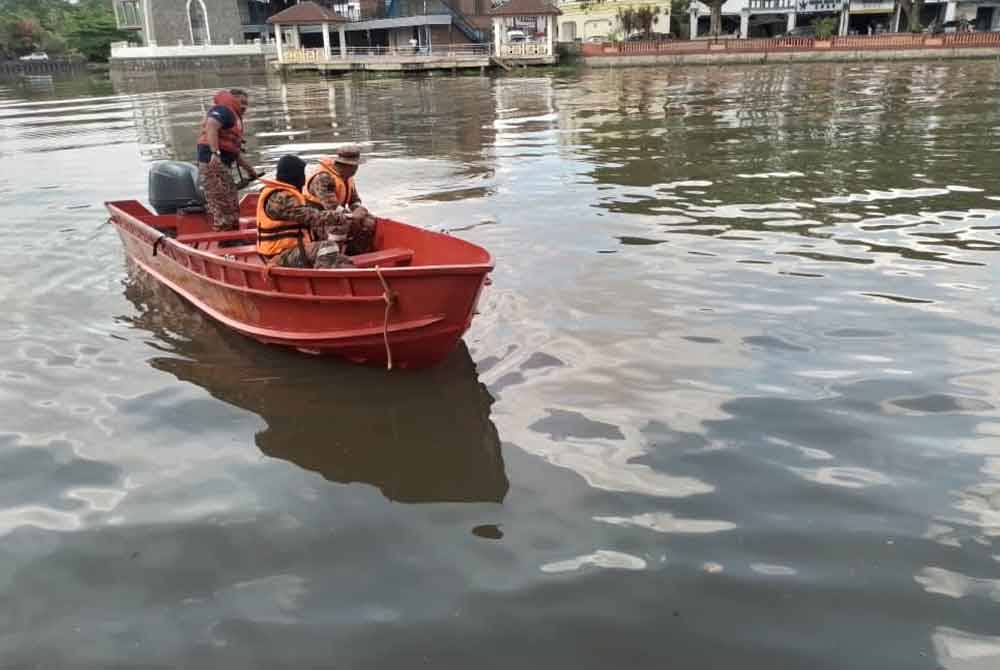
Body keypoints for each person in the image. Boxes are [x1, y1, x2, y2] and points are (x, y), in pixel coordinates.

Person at [256, 155, 353, 269]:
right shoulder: (279, 198)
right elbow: (312, 216)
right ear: (294, 175)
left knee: (342, 256)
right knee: (327, 246)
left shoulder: (288, 193)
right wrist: (344, 216)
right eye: (301, 173)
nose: (304, 178)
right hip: (278, 254)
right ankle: (324, 280)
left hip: (292, 248)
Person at [196, 88, 259, 231]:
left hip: (222, 165)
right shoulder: (224, 111)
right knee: (221, 202)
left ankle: (233, 234)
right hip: (212, 163)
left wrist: (250, 171)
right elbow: (211, 125)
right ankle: (225, 239)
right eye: (241, 102)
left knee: (231, 201)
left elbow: (234, 152)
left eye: (246, 104)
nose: (244, 106)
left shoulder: (233, 117)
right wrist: (215, 153)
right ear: (232, 100)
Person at [303, 144, 376, 255]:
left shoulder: (348, 177)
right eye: (354, 166)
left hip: (339, 214)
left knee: (369, 221)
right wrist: (353, 216)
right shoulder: (323, 178)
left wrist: (358, 209)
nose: (356, 168)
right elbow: (332, 206)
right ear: (344, 165)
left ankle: (356, 253)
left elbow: (354, 199)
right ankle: (334, 257)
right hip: (318, 218)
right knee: (341, 225)